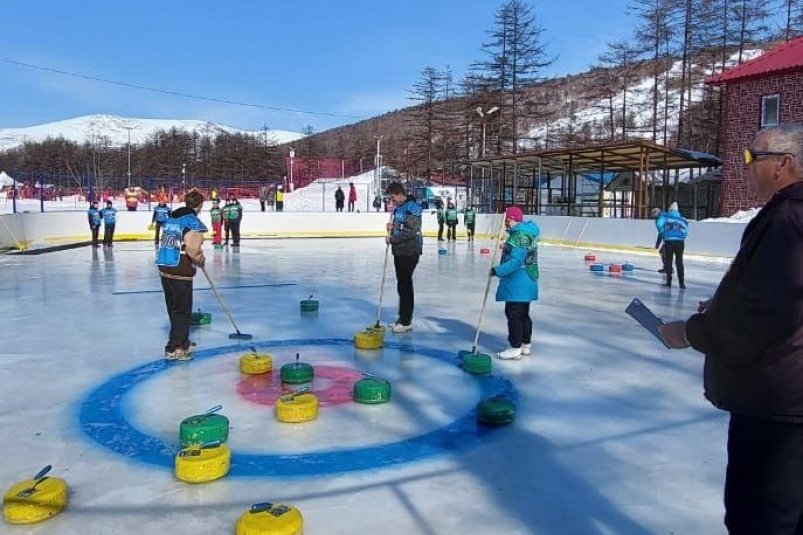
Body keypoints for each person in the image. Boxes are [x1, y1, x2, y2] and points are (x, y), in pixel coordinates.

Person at [657, 124, 803, 534]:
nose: (746, 167)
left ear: (784, 164)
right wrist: (724, 305)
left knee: (761, 516)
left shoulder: (788, 219)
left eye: (752, 157)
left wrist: (690, 331)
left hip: (779, 400)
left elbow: (765, 314)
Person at [155, 189, 207, 361]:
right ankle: (175, 347)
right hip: (179, 269)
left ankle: (182, 340)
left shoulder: (172, 218)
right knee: (182, 310)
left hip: (164, 265)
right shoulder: (192, 222)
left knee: (173, 307)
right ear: (200, 205)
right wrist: (200, 259)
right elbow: (192, 249)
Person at [491, 206, 540, 360]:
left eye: (507, 220)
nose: (505, 223)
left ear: (513, 219)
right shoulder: (526, 233)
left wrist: (496, 271)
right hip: (527, 281)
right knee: (523, 314)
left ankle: (515, 346)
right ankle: (525, 344)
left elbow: (516, 262)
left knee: (514, 315)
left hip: (518, 282)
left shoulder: (518, 236)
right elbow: (521, 252)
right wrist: (506, 247)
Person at [385, 181, 422, 333]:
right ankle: (402, 317)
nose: (392, 200)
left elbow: (411, 231)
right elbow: (401, 226)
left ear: (400, 194)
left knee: (405, 285)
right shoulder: (398, 208)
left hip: (410, 251)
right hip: (399, 251)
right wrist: (391, 228)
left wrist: (393, 239)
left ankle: (406, 320)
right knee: (401, 284)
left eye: (393, 197)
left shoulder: (412, 208)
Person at [657, 201, 688, 288]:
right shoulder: (682, 219)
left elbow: (659, 224)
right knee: (679, 262)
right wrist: (681, 237)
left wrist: (664, 234)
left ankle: (669, 282)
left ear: (670, 209)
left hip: (669, 241)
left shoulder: (666, 218)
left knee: (669, 261)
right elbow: (686, 230)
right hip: (680, 242)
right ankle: (682, 284)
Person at [651, 207, 667, 273]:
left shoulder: (659, 221)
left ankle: (667, 268)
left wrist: (657, 243)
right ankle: (668, 267)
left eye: (653, 215)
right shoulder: (665, 216)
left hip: (668, 238)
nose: (652, 217)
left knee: (663, 252)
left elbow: (661, 233)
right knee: (664, 252)